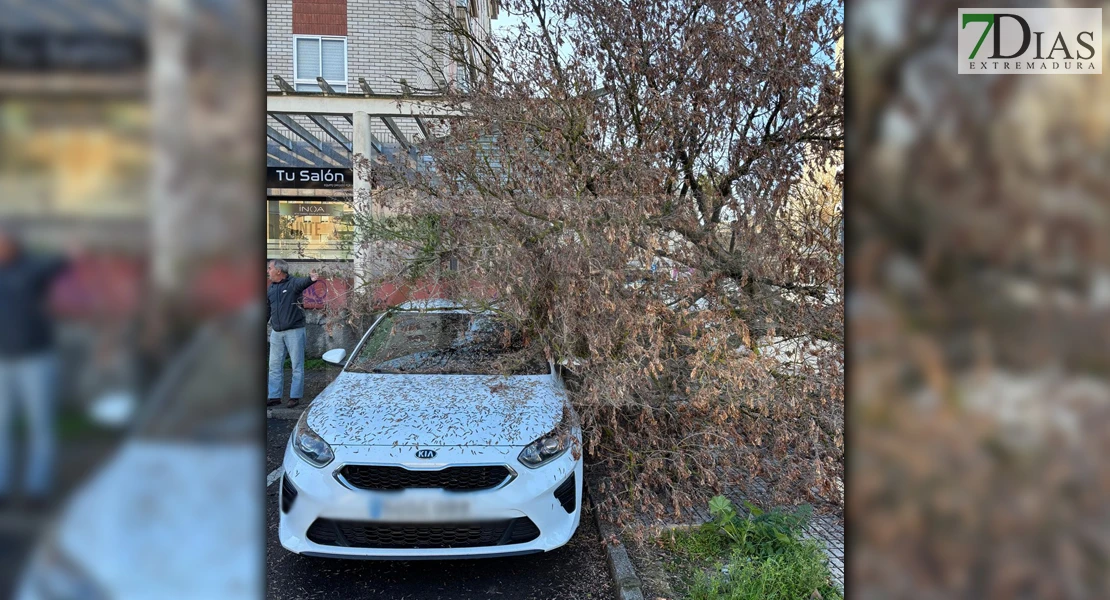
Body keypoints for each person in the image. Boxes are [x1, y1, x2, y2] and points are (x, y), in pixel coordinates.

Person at [0, 227, 71, 504]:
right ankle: (2, 487)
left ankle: (36, 488)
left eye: (4, 242)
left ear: (15, 244)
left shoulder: (32, 269)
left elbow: (60, 261)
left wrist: (70, 251)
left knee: (40, 425)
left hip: (36, 360)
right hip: (2, 362)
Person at [266, 259, 319, 408]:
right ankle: (274, 396)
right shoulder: (270, 289)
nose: (268, 271)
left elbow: (302, 283)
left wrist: (311, 279)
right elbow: (267, 310)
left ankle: (294, 396)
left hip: (294, 331)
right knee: (274, 366)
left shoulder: (293, 283)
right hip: (276, 332)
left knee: (297, 366)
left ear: (278, 270)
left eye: (269, 268)